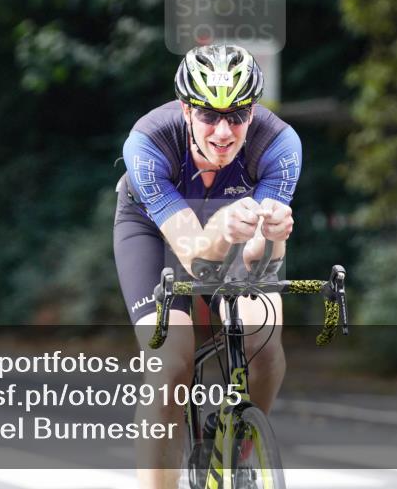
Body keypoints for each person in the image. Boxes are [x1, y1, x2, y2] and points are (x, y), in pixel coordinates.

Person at [114, 44, 301, 489]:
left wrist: (273, 236)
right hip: (157, 232)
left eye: (236, 115)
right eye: (208, 115)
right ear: (185, 109)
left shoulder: (280, 146)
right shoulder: (147, 143)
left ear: (253, 112)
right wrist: (222, 225)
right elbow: (195, 256)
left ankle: (240, 451)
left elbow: (257, 262)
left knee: (264, 343)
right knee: (169, 366)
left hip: (235, 233)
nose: (223, 130)